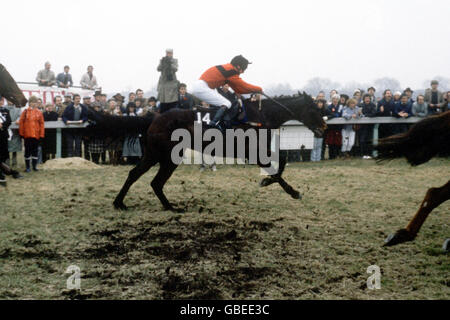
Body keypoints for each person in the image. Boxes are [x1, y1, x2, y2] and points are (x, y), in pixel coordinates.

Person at [190, 55, 262, 128]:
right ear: (238, 66)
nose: (243, 72)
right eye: (243, 69)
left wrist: (255, 91)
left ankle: (208, 114)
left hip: (205, 86)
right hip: (202, 87)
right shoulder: (231, 71)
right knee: (226, 103)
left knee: (224, 104)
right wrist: (259, 89)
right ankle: (213, 125)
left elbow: (238, 89)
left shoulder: (229, 70)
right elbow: (244, 86)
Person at [19, 96, 45, 172]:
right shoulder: (25, 112)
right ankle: (27, 167)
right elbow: (21, 123)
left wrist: (41, 135)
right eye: (32, 102)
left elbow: (42, 124)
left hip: (36, 135)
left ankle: (34, 166)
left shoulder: (39, 112)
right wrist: (21, 133)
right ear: (29, 103)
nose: (34, 104)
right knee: (27, 151)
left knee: (35, 151)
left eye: (35, 102)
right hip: (27, 135)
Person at [157, 49, 179, 113]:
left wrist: (169, 63)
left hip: (171, 83)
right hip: (163, 83)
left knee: (172, 105)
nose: (169, 54)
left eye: (170, 53)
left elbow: (175, 69)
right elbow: (158, 69)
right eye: (168, 53)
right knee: (163, 105)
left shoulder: (174, 60)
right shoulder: (162, 60)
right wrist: (163, 62)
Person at [359, 94, 377, 159]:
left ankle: (369, 154)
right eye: (366, 98)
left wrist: (366, 115)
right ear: (363, 99)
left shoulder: (373, 105)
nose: (367, 99)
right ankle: (362, 154)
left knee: (369, 140)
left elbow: (374, 113)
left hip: (370, 125)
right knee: (362, 140)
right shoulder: (360, 105)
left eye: (368, 98)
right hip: (362, 126)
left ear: (370, 99)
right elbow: (359, 113)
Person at [325, 94, 342, 160]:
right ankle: (331, 156)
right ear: (332, 100)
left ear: (338, 100)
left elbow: (340, 114)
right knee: (330, 142)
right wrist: (335, 115)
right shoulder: (329, 107)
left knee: (337, 142)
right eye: (334, 99)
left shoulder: (340, 107)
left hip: (338, 127)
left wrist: (334, 115)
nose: (335, 100)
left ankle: (337, 155)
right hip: (331, 128)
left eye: (337, 99)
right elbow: (329, 114)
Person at [6, 99, 22, 167]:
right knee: (6, 146)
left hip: (15, 130)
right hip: (6, 130)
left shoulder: (18, 109)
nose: (10, 101)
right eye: (9, 100)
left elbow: (20, 116)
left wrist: (17, 121)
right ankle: (7, 161)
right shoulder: (4, 108)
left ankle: (14, 161)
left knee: (15, 146)